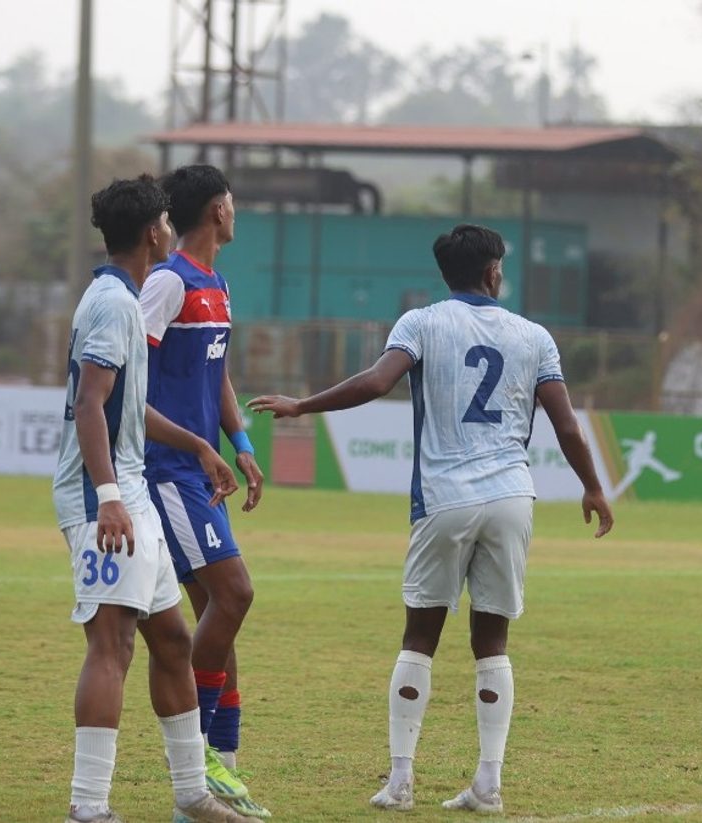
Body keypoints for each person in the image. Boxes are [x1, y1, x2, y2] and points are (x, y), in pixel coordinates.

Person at [249, 223, 613, 814]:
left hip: (445, 498)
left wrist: (302, 405)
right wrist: (593, 486)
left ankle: (400, 781)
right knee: (492, 641)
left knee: (420, 636)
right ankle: (488, 784)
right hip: (512, 497)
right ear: (493, 271)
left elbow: (376, 382)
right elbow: (566, 424)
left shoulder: (421, 322)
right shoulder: (535, 336)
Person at [56, 176, 248, 823]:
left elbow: (127, 403)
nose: (170, 228)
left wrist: (198, 442)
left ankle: (193, 793)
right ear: (153, 233)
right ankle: (89, 805)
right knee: (113, 643)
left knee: (171, 637)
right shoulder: (113, 303)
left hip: (132, 487)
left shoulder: (125, 296)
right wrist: (108, 495)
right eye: (165, 221)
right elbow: (91, 402)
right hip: (104, 495)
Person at [139, 164, 269, 817]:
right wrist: (196, 447)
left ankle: (223, 777)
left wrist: (240, 445)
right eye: (233, 202)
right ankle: (194, 763)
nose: (236, 211)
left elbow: (215, 374)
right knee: (235, 594)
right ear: (216, 209)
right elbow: (128, 373)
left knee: (221, 611)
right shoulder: (168, 281)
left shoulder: (216, 283)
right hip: (168, 471)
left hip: (202, 468)